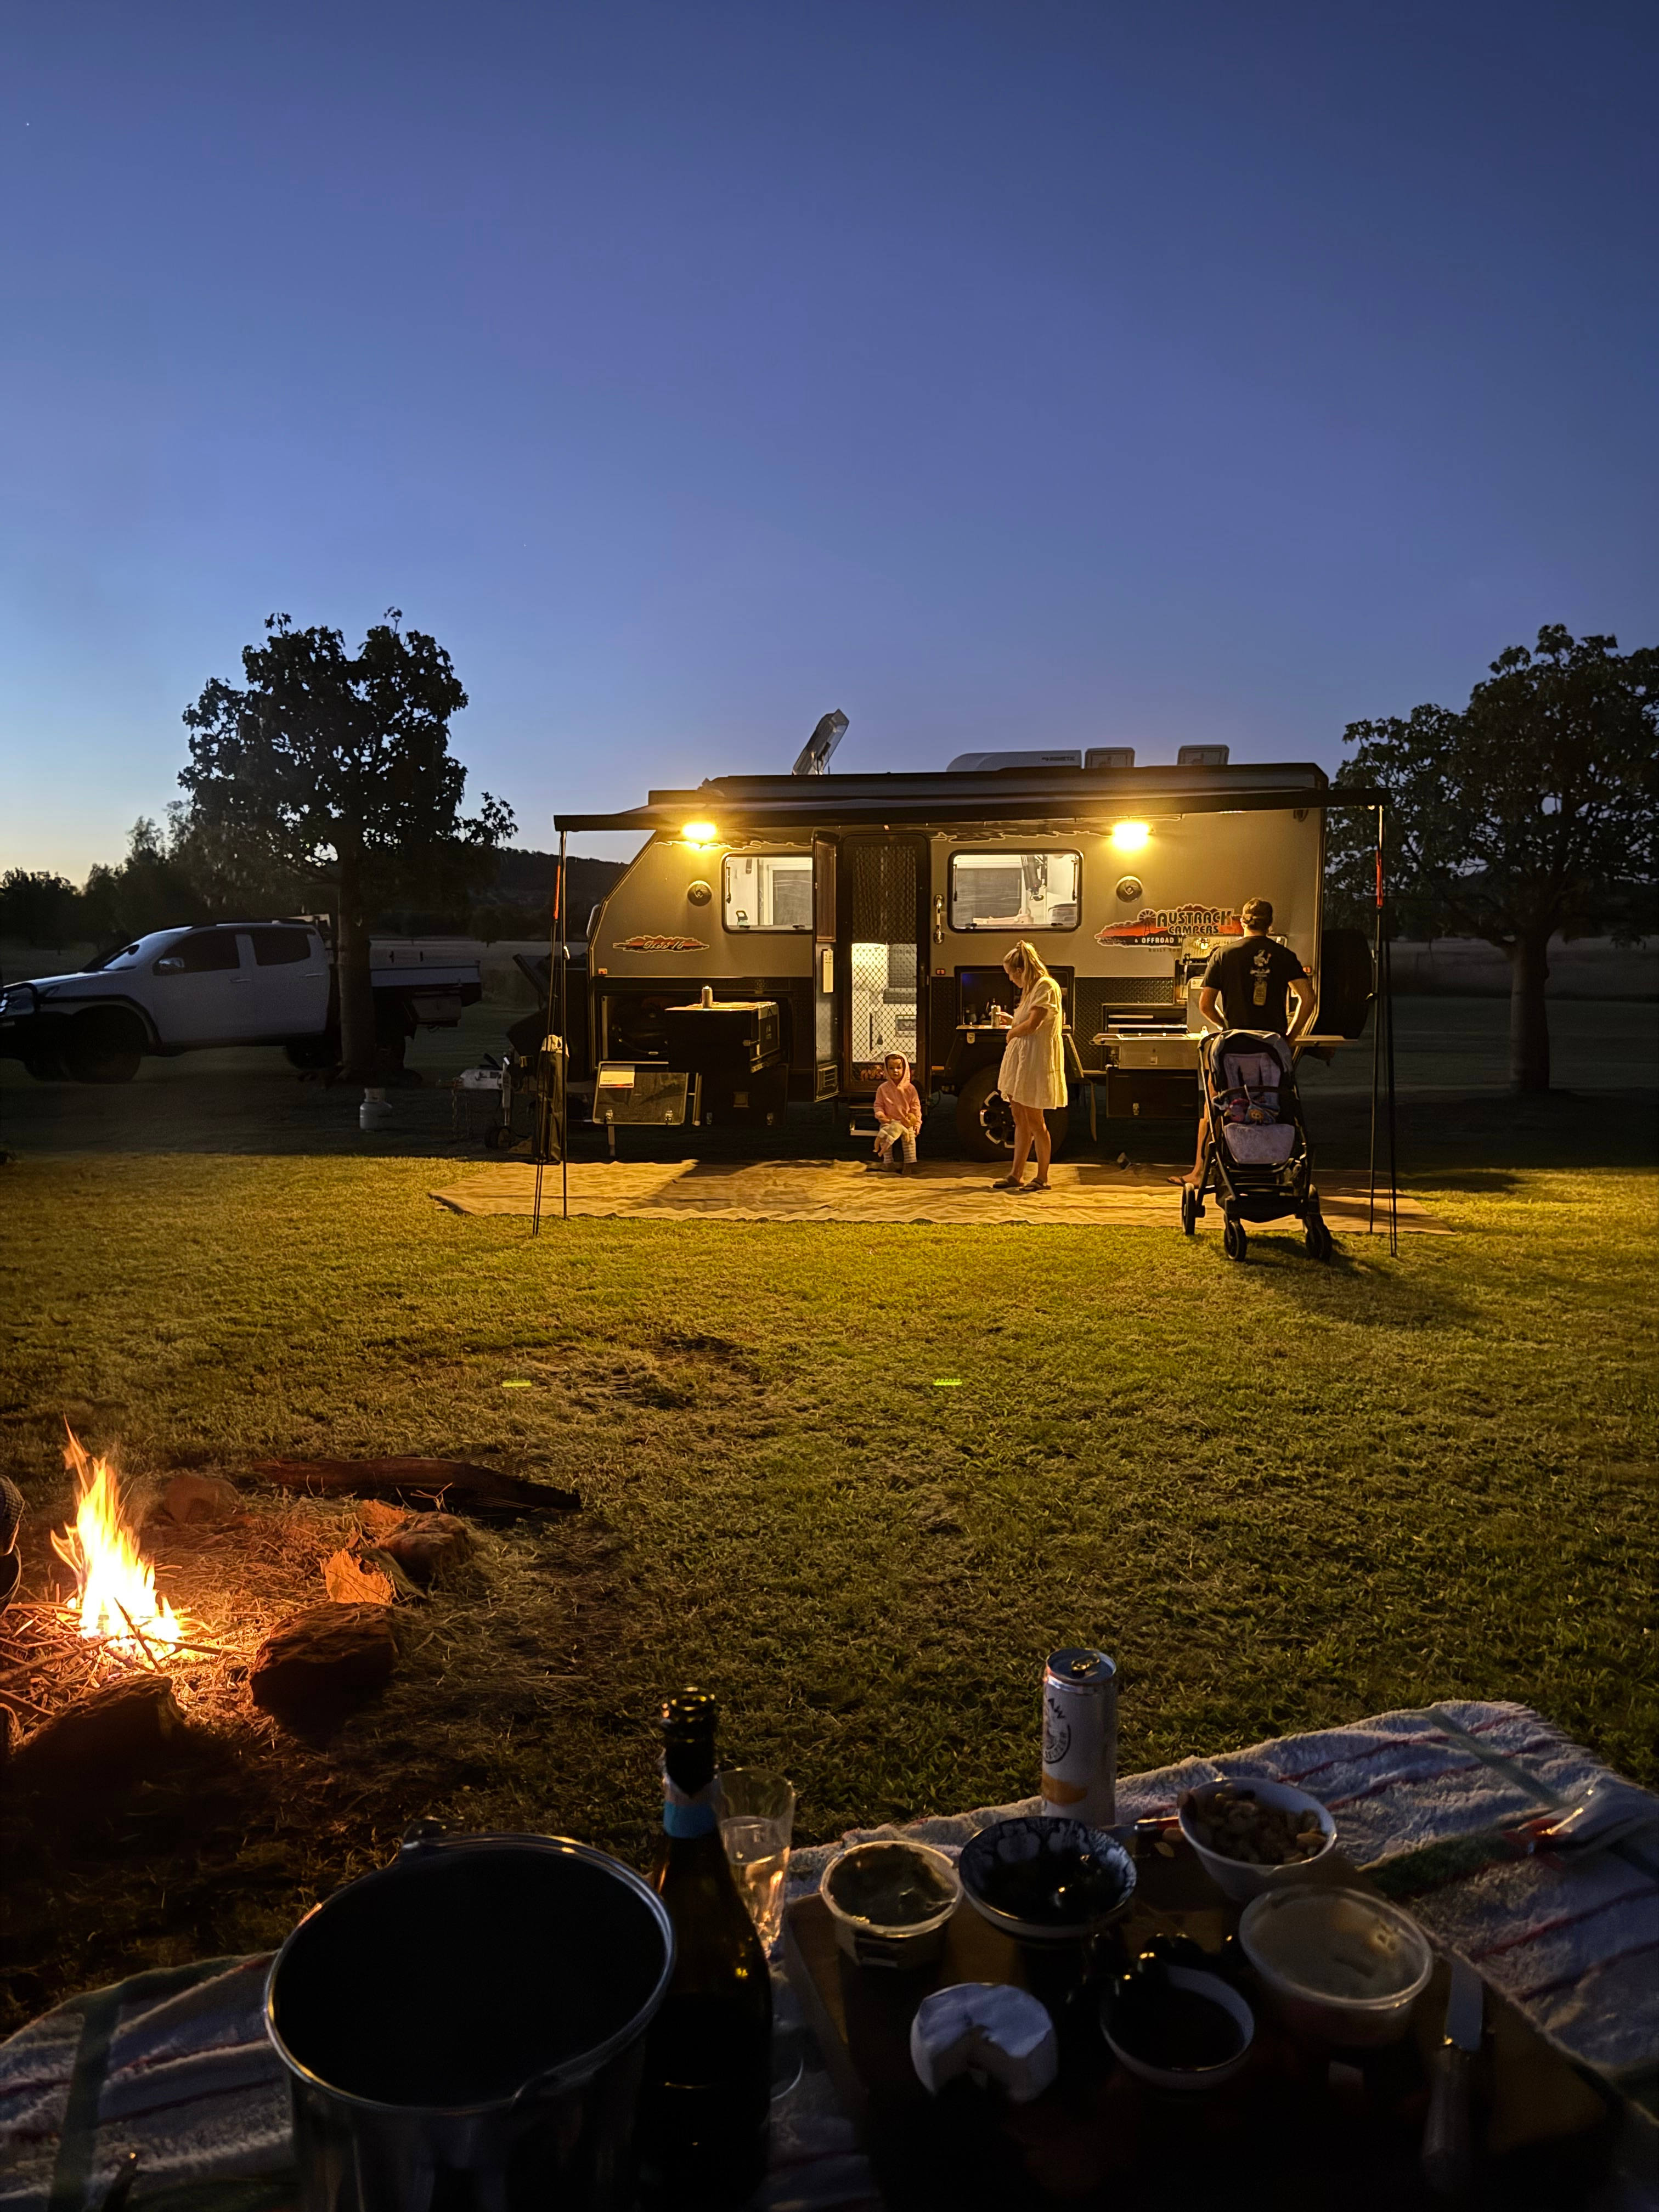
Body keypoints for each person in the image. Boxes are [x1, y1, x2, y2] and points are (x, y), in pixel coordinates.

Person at [1180, 898, 1316, 1189]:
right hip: (1273, 1049)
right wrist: (1289, 1037)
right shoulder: (1284, 955)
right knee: (1276, 1102)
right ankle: (1275, 1165)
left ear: (1242, 921)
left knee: (1215, 1107)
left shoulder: (1223, 955)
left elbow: (1205, 1004)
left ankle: (1200, 1171)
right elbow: (1309, 999)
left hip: (1234, 1048)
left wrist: (1228, 1028)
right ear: (1270, 924)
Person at [991, 940, 1067, 1193]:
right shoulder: (1033, 989)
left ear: (1021, 971)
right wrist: (1014, 1021)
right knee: (1019, 1116)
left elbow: (1035, 1024)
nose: (1011, 980)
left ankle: (1043, 1176)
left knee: (1035, 1119)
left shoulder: (1046, 986)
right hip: (1024, 1059)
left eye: (1011, 975)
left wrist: (1012, 1032)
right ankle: (1016, 1174)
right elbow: (1033, 1021)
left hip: (1035, 1059)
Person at [872, 1051, 922, 1173]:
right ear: (886, 1069)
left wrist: (917, 1124)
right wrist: (881, 1116)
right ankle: (888, 1163)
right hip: (889, 1121)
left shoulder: (910, 1089)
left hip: (906, 1122)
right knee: (884, 1136)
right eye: (891, 1068)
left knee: (909, 1139)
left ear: (905, 1069)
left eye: (899, 1068)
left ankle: (908, 1164)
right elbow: (878, 1105)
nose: (895, 1071)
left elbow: (916, 1107)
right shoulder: (883, 1089)